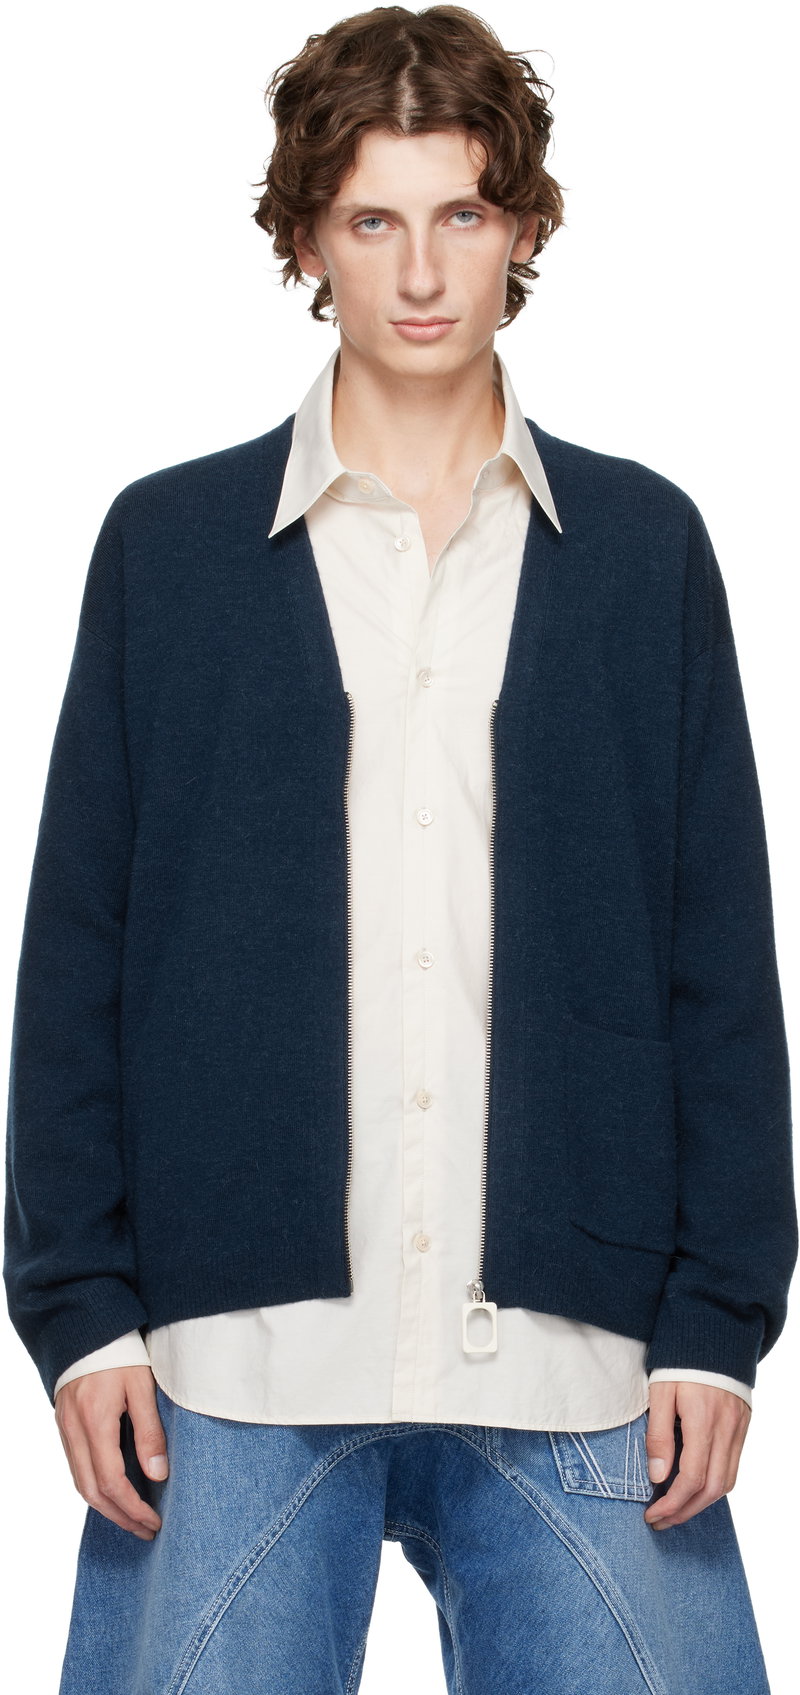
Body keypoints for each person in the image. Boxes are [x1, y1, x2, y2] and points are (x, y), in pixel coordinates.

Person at [4, 5, 797, 1690]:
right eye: (373, 218)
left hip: (579, 1361)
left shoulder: (642, 549)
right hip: (231, 1364)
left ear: (523, 228)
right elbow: (79, 952)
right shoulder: (169, 549)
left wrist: (719, 1324)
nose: (423, 273)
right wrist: (78, 1311)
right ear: (307, 237)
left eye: (464, 214)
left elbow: (718, 957)